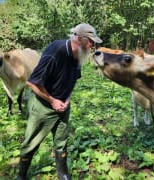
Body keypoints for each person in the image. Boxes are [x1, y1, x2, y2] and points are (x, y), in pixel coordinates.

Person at [16, 23, 102, 180]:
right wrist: (53, 100)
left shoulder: (80, 54)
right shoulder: (56, 51)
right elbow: (33, 83)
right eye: (90, 41)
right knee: (31, 142)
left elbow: (73, 78)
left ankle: (62, 173)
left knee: (62, 141)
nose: (92, 45)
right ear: (79, 38)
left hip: (63, 105)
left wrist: (67, 99)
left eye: (94, 42)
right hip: (43, 105)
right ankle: (21, 175)